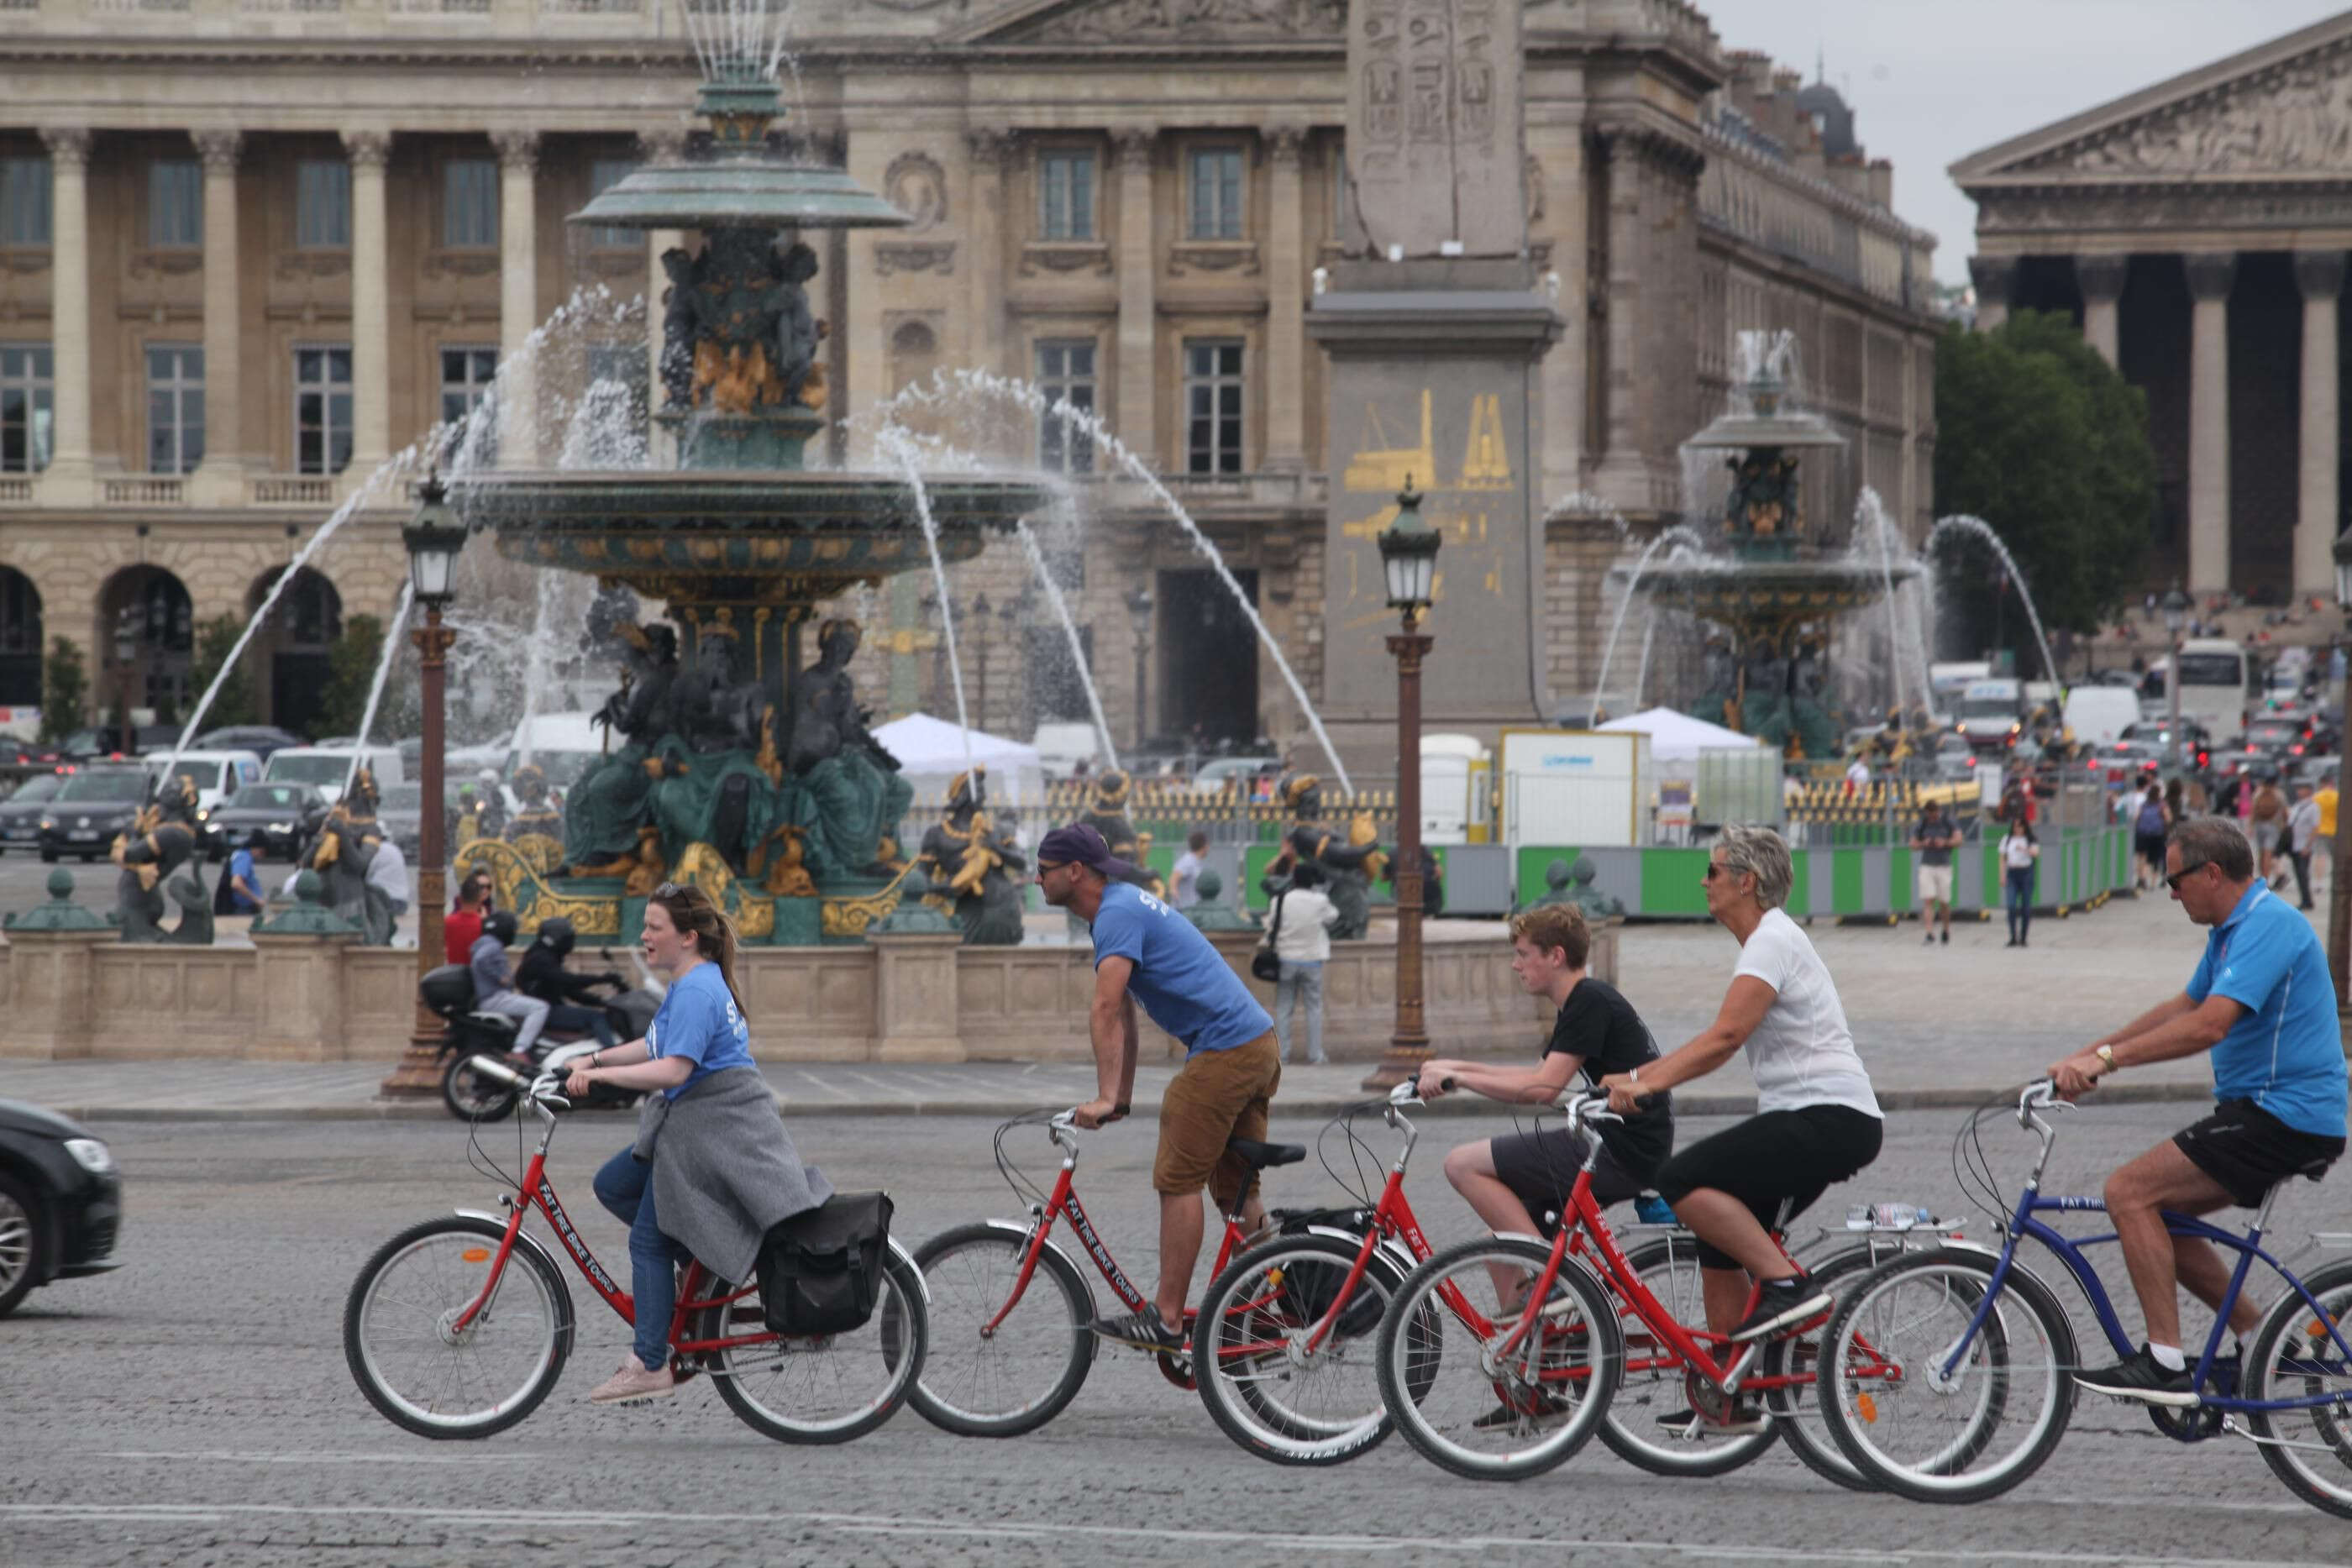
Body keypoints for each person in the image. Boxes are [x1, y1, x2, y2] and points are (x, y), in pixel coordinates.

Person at [2048, 816, 2347, 1403]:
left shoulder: (2268, 924)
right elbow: (2182, 1006)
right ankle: (2266, 1338)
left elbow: (2209, 1025)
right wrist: (2088, 1053)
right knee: (2158, 1210)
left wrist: (2107, 1061)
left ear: (2212, 872)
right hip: (2267, 1111)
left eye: (2176, 880)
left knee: (2128, 1191)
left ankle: (2163, 1360)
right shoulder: (2232, 930)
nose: (2171, 892)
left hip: (2282, 1114)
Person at [1596, 824, 1882, 1434]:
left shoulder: (1771, 940)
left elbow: (1725, 1038)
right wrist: (1631, 1077)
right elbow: (1714, 1038)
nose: (1705, 881)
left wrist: (1644, 1084)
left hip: (1827, 1115)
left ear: (1746, 881)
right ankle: (1725, 1387)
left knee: (1680, 1179)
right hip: (1812, 1117)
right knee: (1718, 1232)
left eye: (1714, 871)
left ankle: (1790, 1284)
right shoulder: (1768, 940)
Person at [564, 883, 832, 1405]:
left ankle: (650, 1363)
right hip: (703, 1127)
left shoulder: (697, 990)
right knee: (614, 1184)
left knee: (647, 1242)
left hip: (713, 1135)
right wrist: (592, 1060)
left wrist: (600, 1082)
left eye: (653, 927)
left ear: (687, 937)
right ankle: (700, 1260)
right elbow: (655, 1044)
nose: (643, 935)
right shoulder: (696, 981)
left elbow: (673, 1068)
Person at [1035, 821, 1278, 1355]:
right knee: (1238, 1193)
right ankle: (1276, 1310)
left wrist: (1101, 1100)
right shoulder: (1124, 904)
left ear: (1074, 872)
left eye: (1043, 870)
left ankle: (1167, 1320)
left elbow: (1104, 1007)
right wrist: (1118, 1094)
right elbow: (1124, 1009)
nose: (1036, 880)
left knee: (1177, 1180)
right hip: (1256, 1044)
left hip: (1226, 1050)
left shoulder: (1116, 914)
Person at [1416, 902, 1674, 1245]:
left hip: (1620, 1151)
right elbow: (1537, 1073)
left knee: (1461, 1164)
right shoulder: (1583, 1000)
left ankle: (1548, 1273)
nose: (1515, 964)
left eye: (1523, 954)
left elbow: (1544, 1088)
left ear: (1556, 956)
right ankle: (1540, 1285)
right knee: (1498, 1250)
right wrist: (1454, 1067)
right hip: (1626, 1148)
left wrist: (1459, 1079)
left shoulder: (1588, 1001)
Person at [1266, 861, 1340, 1066]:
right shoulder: (1320, 901)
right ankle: (1315, 1055)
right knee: (1314, 1008)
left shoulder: (1280, 900)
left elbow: (1271, 923)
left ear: (1294, 879)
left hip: (1286, 959)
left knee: (1283, 1008)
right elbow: (1334, 917)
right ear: (1312, 881)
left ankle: (1283, 1055)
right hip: (1312, 961)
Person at [518, 915, 623, 1048]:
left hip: (551, 1007)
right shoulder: (540, 959)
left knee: (595, 1014)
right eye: (567, 938)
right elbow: (569, 980)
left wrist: (602, 1002)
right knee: (596, 1017)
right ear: (557, 938)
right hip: (547, 1011)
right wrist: (603, 979)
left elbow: (568, 990)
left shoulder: (546, 955)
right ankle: (611, 1055)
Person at [469, 909, 549, 1051]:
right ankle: (520, 1049)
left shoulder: (483, 942)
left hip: (490, 997)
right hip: (495, 998)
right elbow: (481, 960)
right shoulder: (493, 945)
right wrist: (501, 977)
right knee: (540, 1007)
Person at [1910, 800, 1961, 947]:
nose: (1931, 818)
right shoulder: (1922, 823)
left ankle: (1945, 929)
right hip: (1927, 865)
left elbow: (1959, 840)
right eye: (1929, 815)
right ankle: (1929, 933)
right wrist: (1923, 844)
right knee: (1928, 899)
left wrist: (1944, 842)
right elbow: (1912, 844)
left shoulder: (1948, 822)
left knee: (1944, 902)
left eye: (1934, 815)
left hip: (1944, 865)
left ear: (1938, 812)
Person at [2002, 817, 2040, 948]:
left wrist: (2024, 849)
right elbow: (2003, 858)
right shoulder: (2007, 839)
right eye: (2015, 826)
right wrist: (2002, 875)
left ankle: (2023, 937)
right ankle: (2013, 936)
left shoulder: (2030, 839)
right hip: (2012, 873)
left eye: (2020, 826)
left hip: (2026, 873)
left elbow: (2035, 853)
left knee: (2026, 906)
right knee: (2011, 905)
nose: (2017, 829)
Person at [2247, 772, 2286, 887]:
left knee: (2261, 852)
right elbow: (2284, 812)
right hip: (2273, 826)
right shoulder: (2279, 794)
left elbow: (2253, 810)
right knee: (2269, 853)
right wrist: (2285, 824)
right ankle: (2266, 879)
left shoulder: (2258, 793)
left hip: (2259, 825)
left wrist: (2250, 826)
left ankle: (2261, 877)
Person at [2286, 782, 2320, 911]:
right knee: (2299, 874)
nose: (2299, 791)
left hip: (2304, 846)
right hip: (2294, 844)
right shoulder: (2297, 805)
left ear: (2309, 791)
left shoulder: (2314, 807)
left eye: (2302, 789)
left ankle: (2307, 900)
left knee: (2303, 873)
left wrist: (2308, 846)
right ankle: (2305, 899)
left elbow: (2315, 827)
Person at [444, 873, 491, 966]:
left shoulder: (448, 922)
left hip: (453, 972)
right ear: (479, 899)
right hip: (476, 975)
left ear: (460, 899)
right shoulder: (484, 925)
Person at [2133, 775, 2171, 889]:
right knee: (2155, 859)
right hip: (2157, 834)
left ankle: (2142, 878)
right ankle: (2153, 883)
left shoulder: (2144, 804)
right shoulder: (2161, 804)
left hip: (2143, 833)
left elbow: (2136, 817)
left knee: (2142, 856)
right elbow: (2168, 818)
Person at [366, 831, 410, 920]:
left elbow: (364, 871)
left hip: (387, 901)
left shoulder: (377, 849)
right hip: (401, 902)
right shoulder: (394, 849)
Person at [1170, 830, 1210, 910]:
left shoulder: (1196, 861)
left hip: (1192, 908)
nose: (1208, 848)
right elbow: (1174, 877)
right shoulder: (1188, 861)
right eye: (1207, 845)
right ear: (1204, 846)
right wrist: (1174, 892)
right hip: (1184, 909)